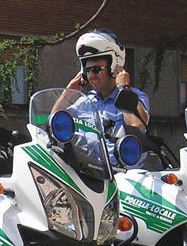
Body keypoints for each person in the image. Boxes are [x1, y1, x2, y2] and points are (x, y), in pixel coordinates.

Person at [58, 29, 150, 166]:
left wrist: (123, 89)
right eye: (87, 71)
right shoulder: (86, 101)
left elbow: (137, 126)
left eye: (95, 70)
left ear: (113, 67)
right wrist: (69, 92)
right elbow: (53, 122)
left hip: (123, 177)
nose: (91, 75)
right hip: (91, 177)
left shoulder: (134, 97)